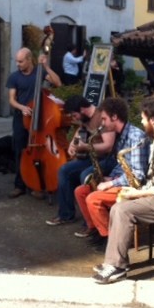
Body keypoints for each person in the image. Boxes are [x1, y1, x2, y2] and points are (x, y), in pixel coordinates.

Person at [92, 90, 154, 284]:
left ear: (152, 120)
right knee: (119, 206)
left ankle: (117, 266)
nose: (142, 123)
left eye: (143, 119)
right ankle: (114, 262)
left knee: (122, 210)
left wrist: (137, 193)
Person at [74, 97, 149, 248]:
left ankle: (109, 239)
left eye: (104, 119)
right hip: (119, 180)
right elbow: (120, 165)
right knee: (80, 191)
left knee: (93, 199)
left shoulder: (135, 136)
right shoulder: (120, 135)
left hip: (131, 187)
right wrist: (107, 177)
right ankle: (96, 229)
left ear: (114, 117)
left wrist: (111, 182)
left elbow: (138, 176)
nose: (102, 124)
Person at [45, 95, 116, 226]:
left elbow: (108, 146)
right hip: (91, 157)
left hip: (107, 159)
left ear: (82, 109)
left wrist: (86, 147)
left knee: (85, 176)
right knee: (64, 170)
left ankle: (91, 223)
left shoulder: (101, 117)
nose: (73, 118)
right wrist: (73, 143)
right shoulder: (85, 118)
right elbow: (81, 129)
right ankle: (66, 214)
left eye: (74, 115)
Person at [6, 47, 61, 198]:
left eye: (21, 61)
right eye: (17, 61)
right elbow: (11, 99)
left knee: (40, 150)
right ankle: (20, 185)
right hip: (21, 117)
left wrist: (46, 67)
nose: (18, 64)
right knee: (20, 151)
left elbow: (58, 83)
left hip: (39, 118)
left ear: (29, 59)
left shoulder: (39, 72)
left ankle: (37, 184)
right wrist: (21, 107)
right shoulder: (14, 77)